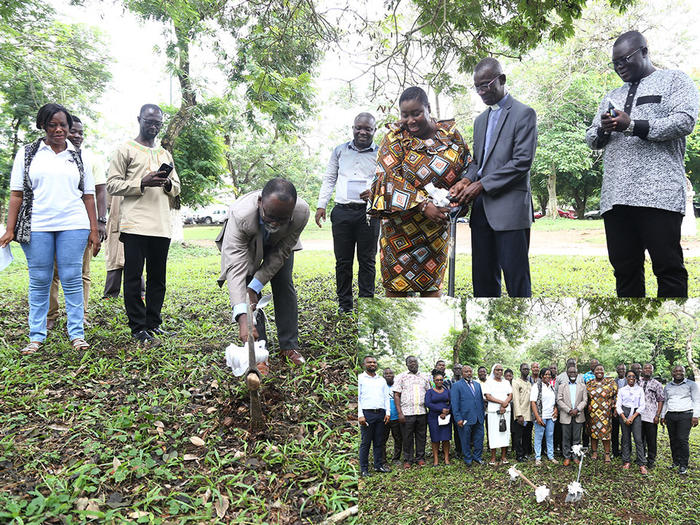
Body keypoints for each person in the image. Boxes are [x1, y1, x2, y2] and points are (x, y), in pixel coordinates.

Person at [585, 31, 699, 297]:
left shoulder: (675, 80)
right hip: (615, 198)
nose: (619, 67)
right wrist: (604, 129)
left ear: (644, 52)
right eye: (615, 63)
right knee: (624, 273)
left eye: (624, 59)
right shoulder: (611, 95)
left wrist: (632, 125)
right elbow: (591, 138)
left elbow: (684, 121)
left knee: (668, 269)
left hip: (657, 196)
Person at [1, 103, 100, 353]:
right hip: (37, 226)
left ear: (69, 127)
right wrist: (10, 229)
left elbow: (89, 195)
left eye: (63, 125)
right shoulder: (27, 153)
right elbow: (16, 195)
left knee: (72, 278)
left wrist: (94, 230)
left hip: (74, 224)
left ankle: (77, 334)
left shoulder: (79, 156)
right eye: (53, 125)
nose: (58, 130)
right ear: (43, 126)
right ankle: (36, 336)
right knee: (39, 280)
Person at [367, 86, 471, 296]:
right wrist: (422, 204)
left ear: (428, 108)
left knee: (431, 290)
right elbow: (386, 178)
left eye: (416, 113)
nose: (410, 120)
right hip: (399, 231)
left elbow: (467, 167)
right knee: (396, 291)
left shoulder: (451, 136)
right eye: (405, 115)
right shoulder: (394, 138)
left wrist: (462, 186)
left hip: (436, 231)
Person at [450, 57, 537, 297]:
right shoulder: (480, 120)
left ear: (502, 80)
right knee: (483, 279)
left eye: (485, 85)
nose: (481, 92)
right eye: (476, 87)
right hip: (481, 213)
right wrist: (467, 179)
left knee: (516, 279)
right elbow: (479, 161)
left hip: (510, 211)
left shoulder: (524, 113)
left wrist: (481, 185)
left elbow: (522, 162)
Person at [106, 104, 180, 346]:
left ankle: (154, 323)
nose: (153, 126)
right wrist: (142, 182)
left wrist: (167, 184)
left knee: (158, 278)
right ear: (139, 119)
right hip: (135, 225)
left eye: (158, 122)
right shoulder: (125, 149)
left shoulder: (164, 154)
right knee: (134, 278)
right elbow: (112, 185)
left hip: (161, 225)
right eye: (149, 121)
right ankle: (138, 327)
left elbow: (177, 187)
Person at [217, 178, 310, 373]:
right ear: (260, 202)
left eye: (282, 219)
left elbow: (283, 251)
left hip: (279, 246)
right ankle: (259, 352)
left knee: (284, 283)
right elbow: (235, 270)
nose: (275, 223)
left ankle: (289, 346)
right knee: (248, 292)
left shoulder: (301, 213)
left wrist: (256, 285)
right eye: (270, 217)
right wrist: (242, 316)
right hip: (248, 246)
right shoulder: (241, 215)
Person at [46, 116, 107, 330]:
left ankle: (80, 315)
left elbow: (100, 191)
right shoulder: (47, 156)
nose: (77, 136)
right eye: (74, 131)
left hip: (81, 224)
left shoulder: (91, 159)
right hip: (51, 223)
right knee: (51, 272)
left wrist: (100, 222)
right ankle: (50, 316)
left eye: (81, 132)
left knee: (82, 272)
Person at [315, 113, 380, 313]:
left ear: (374, 131)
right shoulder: (339, 151)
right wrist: (321, 205)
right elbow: (329, 178)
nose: (362, 132)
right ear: (352, 128)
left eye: (368, 129)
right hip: (342, 212)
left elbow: (386, 181)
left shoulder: (381, 153)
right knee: (343, 262)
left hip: (368, 213)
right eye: (358, 127)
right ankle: (345, 305)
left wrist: (375, 192)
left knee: (367, 261)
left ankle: (366, 305)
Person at [660, 365, 700, 475]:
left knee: (682, 439)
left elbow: (697, 401)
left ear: (684, 372)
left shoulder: (691, 385)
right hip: (671, 415)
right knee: (673, 439)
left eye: (680, 371)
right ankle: (676, 461)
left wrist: (695, 416)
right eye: (676, 371)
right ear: (672, 373)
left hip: (685, 415)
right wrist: (663, 416)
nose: (678, 373)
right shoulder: (668, 386)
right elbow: (665, 402)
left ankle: (683, 465)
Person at [393, 356, 431, 468]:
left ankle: (420, 457)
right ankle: (408, 459)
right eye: (410, 362)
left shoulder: (425, 377)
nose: (413, 364)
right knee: (407, 437)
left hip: (422, 412)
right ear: (407, 365)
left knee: (421, 436)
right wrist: (399, 413)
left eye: (415, 362)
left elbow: (428, 393)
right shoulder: (401, 377)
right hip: (407, 413)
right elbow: (396, 395)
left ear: (418, 363)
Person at [357, 356, 391, 477]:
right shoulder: (360, 378)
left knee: (379, 441)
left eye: (374, 362)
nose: (372, 364)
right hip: (367, 414)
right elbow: (358, 398)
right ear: (364, 364)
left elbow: (386, 397)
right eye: (369, 362)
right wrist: (360, 415)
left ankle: (378, 465)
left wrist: (388, 413)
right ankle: (364, 469)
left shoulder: (381, 380)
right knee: (366, 442)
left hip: (380, 413)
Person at [451, 365, 485, 466]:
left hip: (478, 417)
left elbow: (479, 400)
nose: (468, 373)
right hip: (465, 418)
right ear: (462, 373)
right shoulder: (456, 385)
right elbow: (454, 403)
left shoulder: (477, 385)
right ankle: (468, 458)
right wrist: (458, 418)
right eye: (466, 372)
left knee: (479, 438)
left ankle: (477, 457)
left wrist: (482, 414)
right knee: (465, 439)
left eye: (470, 371)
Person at [586, 364, 618, 464]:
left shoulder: (610, 382)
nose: (599, 371)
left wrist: (615, 406)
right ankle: (594, 452)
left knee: (606, 433)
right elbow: (585, 396)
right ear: (594, 372)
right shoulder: (589, 383)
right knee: (593, 433)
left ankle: (607, 454)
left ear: (604, 372)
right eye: (597, 370)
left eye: (601, 369)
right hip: (593, 413)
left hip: (606, 413)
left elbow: (616, 395)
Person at [557, 365, 588, 466]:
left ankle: (575, 456)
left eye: (574, 372)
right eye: (570, 372)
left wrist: (577, 409)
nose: (572, 374)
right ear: (567, 374)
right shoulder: (562, 386)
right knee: (566, 438)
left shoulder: (582, 386)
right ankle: (567, 457)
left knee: (577, 438)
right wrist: (569, 410)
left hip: (578, 415)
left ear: (577, 374)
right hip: (566, 415)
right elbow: (559, 400)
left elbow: (585, 400)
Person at [617, 370, 647, 473]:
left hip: (636, 414)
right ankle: (626, 461)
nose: (631, 378)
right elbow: (618, 405)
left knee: (638, 439)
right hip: (624, 413)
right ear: (626, 378)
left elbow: (642, 405)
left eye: (633, 376)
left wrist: (632, 417)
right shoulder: (621, 390)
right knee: (625, 438)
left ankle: (642, 463)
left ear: (636, 378)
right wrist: (624, 418)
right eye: (629, 376)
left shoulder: (640, 390)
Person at [483, 364, 512, 465]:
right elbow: (488, 396)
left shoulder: (506, 382)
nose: (499, 372)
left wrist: (505, 404)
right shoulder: (488, 382)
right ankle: (493, 457)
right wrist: (501, 402)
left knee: (505, 433)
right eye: (497, 370)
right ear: (493, 371)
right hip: (493, 412)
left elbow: (510, 395)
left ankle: (503, 457)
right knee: (493, 433)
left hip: (506, 411)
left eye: (501, 370)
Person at [639, 363, 664, 469]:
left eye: (650, 368)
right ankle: (641, 458)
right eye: (646, 368)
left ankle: (651, 460)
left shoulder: (657, 384)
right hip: (638, 415)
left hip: (651, 415)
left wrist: (657, 415)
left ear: (653, 371)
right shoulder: (637, 381)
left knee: (651, 439)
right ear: (642, 370)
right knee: (640, 438)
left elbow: (660, 400)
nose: (648, 370)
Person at [530, 368, 558, 465]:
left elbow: (554, 402)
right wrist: (537, 417)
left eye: (549, 374)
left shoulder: (551, 387)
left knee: (550, 436)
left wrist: (555, 409)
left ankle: (551, 456)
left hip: (551, 416)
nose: (547, 376)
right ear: (541, 376)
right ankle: (538, 457)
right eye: (545, 374)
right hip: (541, 416)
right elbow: (533, 403)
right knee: (539, 436)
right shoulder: (536, 386)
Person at [425, 372, 452, 466]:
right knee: (435, 439)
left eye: (441, 380)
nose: (439, 381)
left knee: (446, 438)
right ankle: (436, 459)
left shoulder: (447, 391)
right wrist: (441, 410)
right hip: (434, 418)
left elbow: (451, 402)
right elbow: (428, 404)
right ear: (434, 381)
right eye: (437, 380)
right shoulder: (430, 392)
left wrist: (447, 411)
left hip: (446, 418)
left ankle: (446, 459)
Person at [512, 363, 533, 462]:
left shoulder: (529, 383)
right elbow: (515, 399)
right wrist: (519, 415)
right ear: (520, 370)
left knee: (526, 436)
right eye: (524, 369)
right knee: (518, 436)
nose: (526, 370)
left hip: (529, 414)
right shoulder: (516, 382)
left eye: (528, 369)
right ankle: (519, 455)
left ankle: (525, 453)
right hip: (521, 415)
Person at [381, 368, 402, 466]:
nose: (388, 375)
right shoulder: (380, 386)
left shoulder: (398, 386)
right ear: (383, 375)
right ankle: (383, 460)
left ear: (394, 375)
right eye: (386, 373)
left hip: (396, 417)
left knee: (398, 438)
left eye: (390, 373)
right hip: (384, 417)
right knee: (382, 439)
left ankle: (396, 458)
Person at [612, 363, 628, 458]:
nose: (621, 371)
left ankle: (625, 451)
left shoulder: (630, 381)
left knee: (625, 433)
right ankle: (615, 452)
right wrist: (614, 407)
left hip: (626, 410)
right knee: (614, 432)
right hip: (614, 411)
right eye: (620, 369)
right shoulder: (613, 382)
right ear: (617, 370)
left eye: (623, 369)